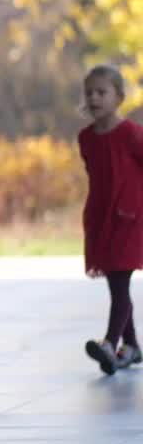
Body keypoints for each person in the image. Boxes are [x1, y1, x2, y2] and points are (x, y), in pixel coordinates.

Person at [78, 65, 143, 375]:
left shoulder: (131, 133)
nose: (94, 98)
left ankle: (110, 342)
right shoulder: (86, 138)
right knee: (115, 283)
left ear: (118, 97)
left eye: (101, 92)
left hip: (130, 219)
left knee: (120, 281)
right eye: (89, 92)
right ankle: (131, 347)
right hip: (101, 219)